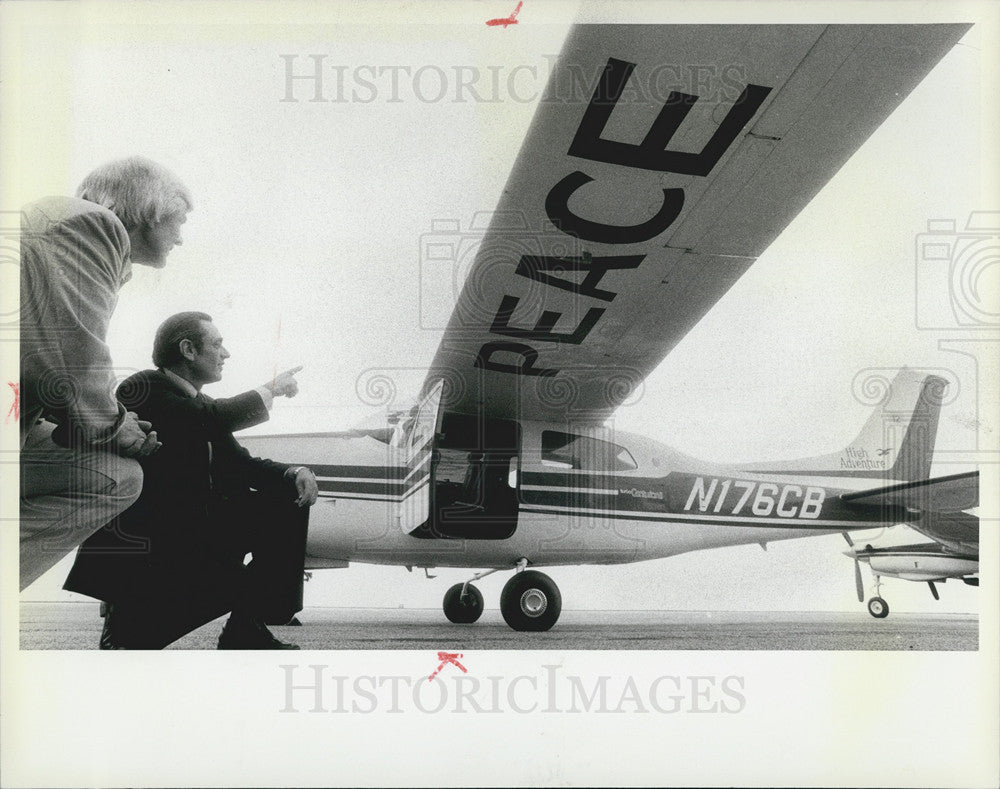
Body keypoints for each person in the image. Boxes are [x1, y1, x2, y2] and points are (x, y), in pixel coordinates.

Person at [63, 312, 319, 649]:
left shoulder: (205, 407)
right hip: (154, 552)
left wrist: (293, 473)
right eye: (216, 344)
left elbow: (242, 464)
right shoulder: (142, 388)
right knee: (130, 648)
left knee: (286, 500)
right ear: (188, 349)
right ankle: (122, 621)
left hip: (196, 540)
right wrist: (269, 390)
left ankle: (246, 628)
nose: (225, 354)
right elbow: (201, 421)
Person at [19, 157, 192, 590]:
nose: (180, 239)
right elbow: (71, 358)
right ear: (151, 210)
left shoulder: (59, 223)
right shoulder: (93, 226)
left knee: (117, 477)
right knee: (118, 476)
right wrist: (116, 427)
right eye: (178, 221)